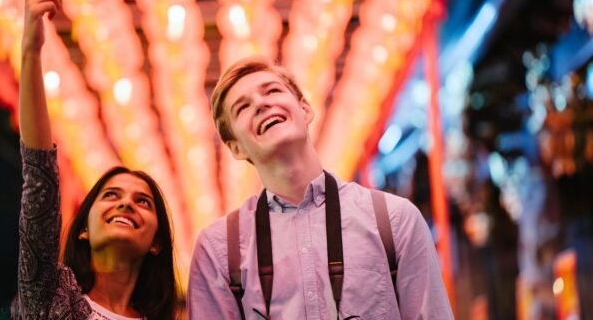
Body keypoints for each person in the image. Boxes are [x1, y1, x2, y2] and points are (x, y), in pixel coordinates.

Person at [187, 57, 453, 319]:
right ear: (236, 148)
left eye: (272, 90)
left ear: (305, 109)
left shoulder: (395, 220)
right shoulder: (218, 250)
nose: (261, 103)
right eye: (242, 107)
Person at [15, 0, 178, 319]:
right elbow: (39, 177)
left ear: (156, 243)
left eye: (143, 202)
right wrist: (30, 50)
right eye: (111, 196)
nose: (126, 204)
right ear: (84, 229)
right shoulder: (50, 298)